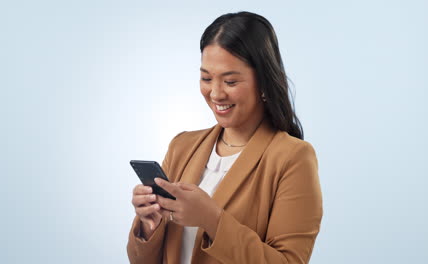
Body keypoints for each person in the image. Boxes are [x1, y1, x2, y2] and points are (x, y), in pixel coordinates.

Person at [127, 11, 323, 264]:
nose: (216, 93)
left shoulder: (293, 158)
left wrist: (212, 219)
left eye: (230, 81)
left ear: (263, 82)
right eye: (206, 78)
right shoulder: (182, 147)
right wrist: (148, 225)